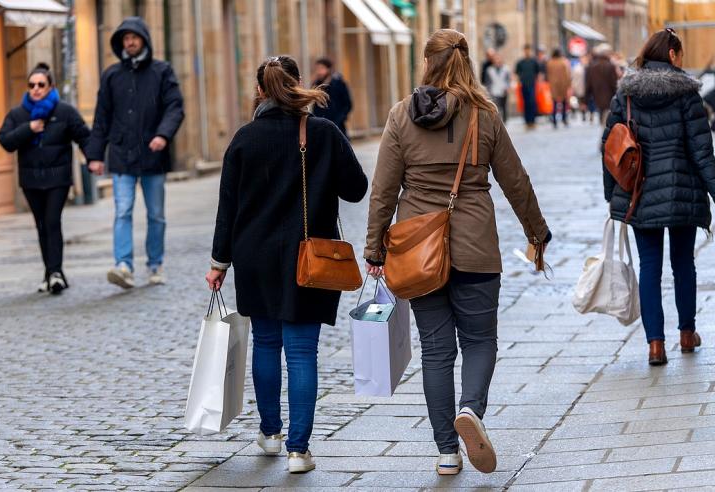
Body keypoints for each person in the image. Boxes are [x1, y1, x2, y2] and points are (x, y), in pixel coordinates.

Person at [364, 29, 551, 476]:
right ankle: (471, 409)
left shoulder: (399, 116)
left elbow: (383, 190)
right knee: (481, 339)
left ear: (427, 63)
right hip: (476, 247)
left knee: (436, 350)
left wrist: (374, 248)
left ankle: (447, 449)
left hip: (417, 250)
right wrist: (536, 232)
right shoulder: (484, 115)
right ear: (466, 63)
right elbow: (516, 181)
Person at [207, 56, 367, 473]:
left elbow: (228, 208)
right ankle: (299, 450)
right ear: (298, 85)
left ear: (259, 91)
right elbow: (356, 189)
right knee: (301, 352)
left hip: (254, 257)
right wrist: (321, 171)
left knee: (266, 343)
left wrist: (218, 262)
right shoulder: (324, 133)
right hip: (308, 259)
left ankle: (271, 433)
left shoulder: (244, 139)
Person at [602, 29, 715, 366]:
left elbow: (610, 147)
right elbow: (703, 153)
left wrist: (612, 196)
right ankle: (687, 333)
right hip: (682, 192)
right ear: (673, 55)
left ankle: (655, 345)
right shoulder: (687, 94)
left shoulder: (626, 95)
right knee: (682, 264)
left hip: (639, 193)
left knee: (650, 267)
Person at [85, 17, 185, 289]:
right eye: (124, 38)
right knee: (123, 211)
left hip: (153, 154)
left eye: (133, 37)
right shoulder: (112, 75)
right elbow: (101, 117)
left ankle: (155, 263)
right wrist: (94, 155)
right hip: (121, 154)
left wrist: (163, 135)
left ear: (144, 39)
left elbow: (175, 106)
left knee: (156, 214)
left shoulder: (162, 71)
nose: (129, 42)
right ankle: (124, 266)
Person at [0, 63, 90, 295]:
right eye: (32, 85)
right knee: (41, 225)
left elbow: (83, 136)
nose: (36, 89)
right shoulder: (19, 114)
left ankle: (55, 272)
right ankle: (51, 273)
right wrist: (28, 128)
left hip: (58, 178)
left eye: (41, 85)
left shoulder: (64, 111)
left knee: (51, 221)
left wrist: (94, 159)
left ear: (50, 87)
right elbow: (5, 140)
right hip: (31, 180)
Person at [311, 57, 353, 138]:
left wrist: (339, 119)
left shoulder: (339, 83)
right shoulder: (316, 85)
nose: (319, 72)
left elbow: (348, 104)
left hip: (338, 126)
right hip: (321, 128)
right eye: (317, 69)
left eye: (321, 68)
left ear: (328, 69)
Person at [586, 44, 619, 127]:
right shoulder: (611, 66)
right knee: (607, 114)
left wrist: (585, 98)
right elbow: (614, 83)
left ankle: (603, 129)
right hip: (609, 95)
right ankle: (605, 131)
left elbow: (588, 83)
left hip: (597, 95)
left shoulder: (592, 66)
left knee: (602, 113)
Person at [515, 44, 541, 128]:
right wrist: (518, 81)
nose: (527, 52)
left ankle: (532, 121)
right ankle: (527, 121)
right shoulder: (520, 62)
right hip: (524, 85)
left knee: (532, 102)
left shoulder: (534, 61)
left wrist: (539, 82)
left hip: (532, 84)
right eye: (526, 50)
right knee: (526, 103)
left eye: (528, 50)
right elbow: (517, 73)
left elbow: (538, 73)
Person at [546, 48, 572, 128]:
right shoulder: (564, 62)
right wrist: (569, 84)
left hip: (553, 85)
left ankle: (554, 120)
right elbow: (568, 74)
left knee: (554, 103)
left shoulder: (550, 63)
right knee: (564, 102)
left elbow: (548, 74)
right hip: (563, 84)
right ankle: (564, 119)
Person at [483, 52, 511, 122]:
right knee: (496, 106)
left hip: (503, 90)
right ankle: (497, 121)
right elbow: (487, 82)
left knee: (504, 106)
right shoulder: (489, 70)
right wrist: (488, 91)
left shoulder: (506, 69)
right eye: (496, 59)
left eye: (499, 59)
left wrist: (507, 87)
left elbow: (508, 80)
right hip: (494, 91)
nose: (497, 61)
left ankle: (504, 121)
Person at [571, 54, 592, 122]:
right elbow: (574, 78)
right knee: (581, 101)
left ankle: (586, 113)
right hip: (579, 87)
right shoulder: (577, 68)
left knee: (586, 101)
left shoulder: (588, 67)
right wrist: (573, 86)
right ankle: (583, 113)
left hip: (587, 88)